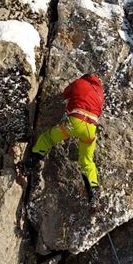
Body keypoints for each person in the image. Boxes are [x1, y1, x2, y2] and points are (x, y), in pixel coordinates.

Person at [29, 73, 104, 208]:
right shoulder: (100, 92)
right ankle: (93, 191)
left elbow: (65, 94)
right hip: (91, 129)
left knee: (48, 138)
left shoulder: (79, 82)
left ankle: (30, 163)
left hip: (75, 122)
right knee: (87, 161)